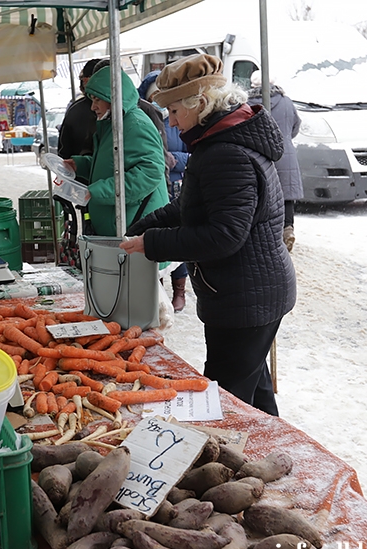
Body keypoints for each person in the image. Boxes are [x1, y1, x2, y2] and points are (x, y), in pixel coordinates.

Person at [121, 54, 297, 416]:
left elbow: (223, 235)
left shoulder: (225, 153)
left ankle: (237, 465)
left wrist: (150, 244)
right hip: (248, 293)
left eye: (173, 112)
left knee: (224, 404)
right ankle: (276, 453)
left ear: (199, 104)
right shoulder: (217, 142)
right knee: (253, 394)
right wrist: (144, 226)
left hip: (247, 297)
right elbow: (191, 206)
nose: (170, 121)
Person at [63, 65, 169, 236]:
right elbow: (113, 164)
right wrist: (79, 165)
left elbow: (150, 173)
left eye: (97, 100)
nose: (93, 107)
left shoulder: (135, 125)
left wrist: (96, 191)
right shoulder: (113, 124)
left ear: (112, 97)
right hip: (122, 231)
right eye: (92, 100)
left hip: (135, 229)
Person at [139, 69, 191, 312]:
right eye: (153, 98)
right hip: (154, 188)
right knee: (156, 238)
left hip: (177, 183)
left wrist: (174, 159)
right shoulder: (145, 117)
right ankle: (156, 291)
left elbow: (192, 154)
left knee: (178, 237)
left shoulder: (181, 120)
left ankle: (179, 290)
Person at [248, 70, 302, 252]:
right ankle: (288, 229)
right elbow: (295, 126)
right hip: (285, 153)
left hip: (259, 154)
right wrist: (284, 137)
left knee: (263, 195)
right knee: (286, 196)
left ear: (252, 84)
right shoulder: (286, 102)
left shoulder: (247, 104)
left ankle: (266, 235)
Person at [57, 58, 101, 161]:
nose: (94, 107)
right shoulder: (75, 111)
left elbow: (64, 151)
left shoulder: (133, 112)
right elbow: (64, 152)